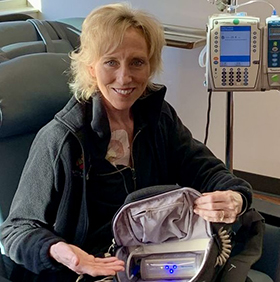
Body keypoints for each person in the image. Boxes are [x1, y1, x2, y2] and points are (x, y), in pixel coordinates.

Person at [0, 3, 252, 282]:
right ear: (91, 68)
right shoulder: (62, 139)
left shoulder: (158, 118)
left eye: (137, 62)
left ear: (150, 65)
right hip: (92, 269)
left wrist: (235, 197)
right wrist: (62, 252)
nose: (125, 77)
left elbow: (207, 170)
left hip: (155, 256)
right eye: (111, 62)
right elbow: (17, 230)